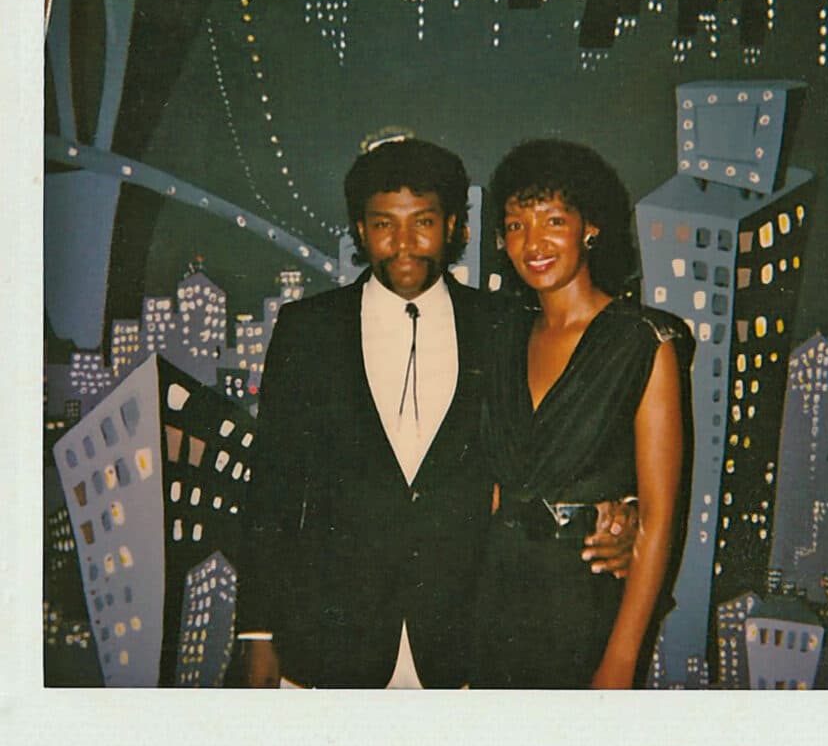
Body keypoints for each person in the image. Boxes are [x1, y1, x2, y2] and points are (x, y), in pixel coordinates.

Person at [236, 138, 637, 689]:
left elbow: (564, 443)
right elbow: (271, 488)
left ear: (454, 228)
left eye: (423, 222)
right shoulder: (308, 329)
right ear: (360, 230)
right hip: (328, 644)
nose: (404, 244)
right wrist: (256, 636)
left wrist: (623, 512)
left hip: (466, 643)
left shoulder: (505, 325)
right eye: (383, 224)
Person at [472, 139, 692, 689]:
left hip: (584, 597)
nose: (534, 242)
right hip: (492, 591)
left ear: (589, 227)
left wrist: (620, 660)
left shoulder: (643, 342)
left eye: (552, 220)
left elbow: (661, 516)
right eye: (517, 225)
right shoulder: (501, 337)